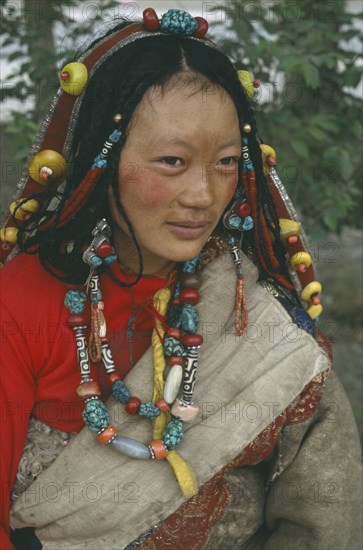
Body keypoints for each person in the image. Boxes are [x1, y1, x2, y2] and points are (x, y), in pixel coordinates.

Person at [0, 7, 361, 550]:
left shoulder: (256, 309)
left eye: (225, 163)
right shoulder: (21, 303)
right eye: (172, 160)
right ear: (102, 160)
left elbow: (324, 516)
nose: (203, 195)